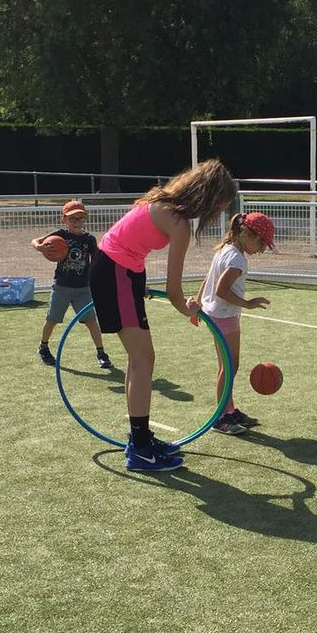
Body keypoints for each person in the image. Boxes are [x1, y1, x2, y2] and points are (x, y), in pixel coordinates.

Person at [89, 159, 237, 472]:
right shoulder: (178, 223)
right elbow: (173, 290)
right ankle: (140, 449)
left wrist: (138, 284)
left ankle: (140, 439)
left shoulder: (158, 198)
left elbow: (129, 240)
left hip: (122, 271)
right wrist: (190, 310)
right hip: (116, 272)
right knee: (144, 360)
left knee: (139, 359)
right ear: (207, 198)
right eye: (218, 205)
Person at [189, 211, 276, 435]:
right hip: (223, 316)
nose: (261, 250)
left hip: (219, 314)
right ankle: (220, 418)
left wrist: (199, 303)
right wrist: (247, 304)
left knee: (228, 365)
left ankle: (229, 410)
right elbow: (220, 289)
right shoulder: (236, 259)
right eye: (261, 243)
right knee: (229, 366)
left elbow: (209, 278)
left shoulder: (227, 250)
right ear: (247, 234)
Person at [32, 199, 113, 370]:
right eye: (72, 219)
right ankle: (43, 347)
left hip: (83, 289)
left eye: (80, 218)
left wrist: (100, 279)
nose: (76, 222)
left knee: (91, 321)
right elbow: (35, 241)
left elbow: (96, 261)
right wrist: (41, 248)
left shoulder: (89, 239)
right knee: (52, 319)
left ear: (85, 220)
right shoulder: (60, 235)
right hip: (61, 286)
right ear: (64, 220)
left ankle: (101, 353)